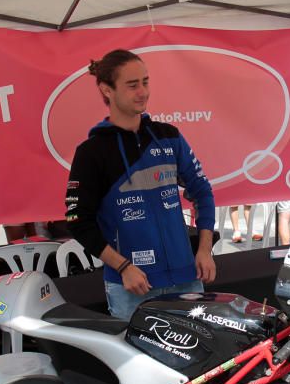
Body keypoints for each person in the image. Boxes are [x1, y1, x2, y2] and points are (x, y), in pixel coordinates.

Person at [65, 49, 216, 321]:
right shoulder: (92, 151)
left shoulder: (168, 137)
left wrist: (205, 250)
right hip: (133, 286)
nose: (142, 92)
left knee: (198, 363)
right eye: (132, 85)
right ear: (106, 89)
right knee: (141, 365)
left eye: (145, 82)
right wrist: (123, 267)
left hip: (186, 278)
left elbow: (202, 191)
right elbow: (78, 221)